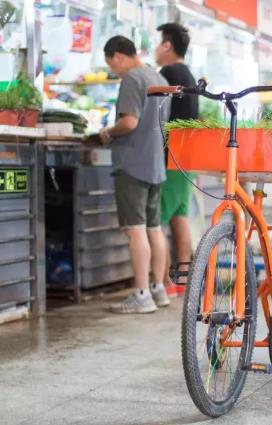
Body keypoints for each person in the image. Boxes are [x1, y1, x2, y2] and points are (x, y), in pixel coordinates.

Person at [99, 36, 170, 313]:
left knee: (135, 230)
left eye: (111, 64)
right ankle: (158, 289)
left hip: (132, 164)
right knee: (155, 229)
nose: (114, 71)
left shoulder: (132, 79)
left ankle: (141, 295)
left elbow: (129, 122)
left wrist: (108, 131)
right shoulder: (158, 78)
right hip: (155, 164)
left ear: (118, 56)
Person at [154, 23, 198, 297]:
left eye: (158, 43)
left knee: (156, 220)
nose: (156, 50)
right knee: (179, 216)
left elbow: (157, 114)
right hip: (187, 156)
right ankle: (182, 281)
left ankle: (164, 283)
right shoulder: (188, 74)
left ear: (167, 45)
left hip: (170, 156)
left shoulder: (168, 73)